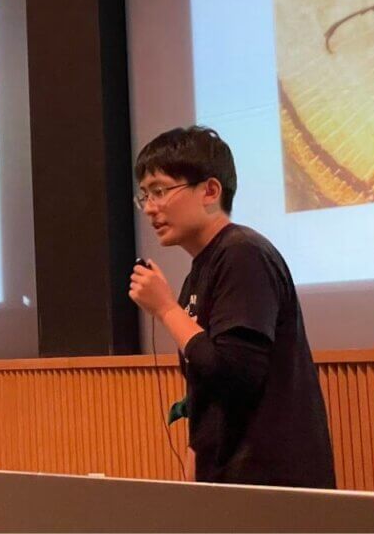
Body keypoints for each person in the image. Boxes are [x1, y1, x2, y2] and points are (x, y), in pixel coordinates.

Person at [128, 126, 335, 488]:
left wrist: (165, 309)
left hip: (271, 487)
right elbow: (205, 389)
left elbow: (235, 372)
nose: (149, 207)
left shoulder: (243, 253)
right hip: (227, 485)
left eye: (160, 191)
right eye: (144, 195)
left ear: (209, 190)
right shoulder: (201, 269)